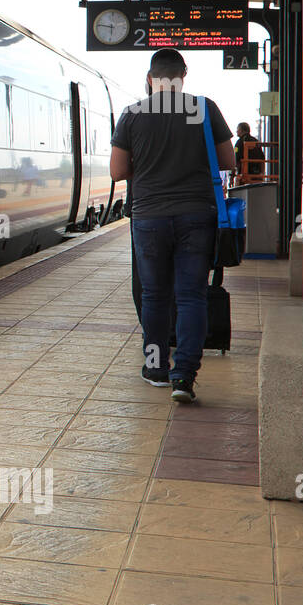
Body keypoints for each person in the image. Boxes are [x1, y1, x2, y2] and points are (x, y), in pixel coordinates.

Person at [110, 48, 234, 403]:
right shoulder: (204, 108)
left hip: (149, 216)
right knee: (192, 295)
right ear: (183, 75)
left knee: (154, 295)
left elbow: (118, 172)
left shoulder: (132, 113)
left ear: (150, 79)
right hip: (198, 214)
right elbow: (226, 161)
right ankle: (184, 377)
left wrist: (148, 170)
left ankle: (156, 368)